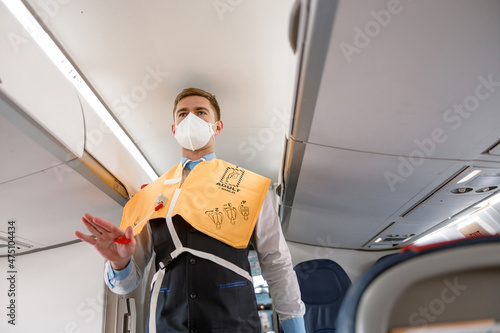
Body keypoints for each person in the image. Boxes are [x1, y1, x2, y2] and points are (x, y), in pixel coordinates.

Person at [76, 88, 306, 332]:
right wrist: (120, 264)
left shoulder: (250, 187)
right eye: (182, 114)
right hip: (167, 324)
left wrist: (295, 328)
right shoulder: (149, 195)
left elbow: (277, 264)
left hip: (235, 323)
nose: (191, 119)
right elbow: (124, 285)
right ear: (174, 130)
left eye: (201, 112)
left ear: (217, 126)